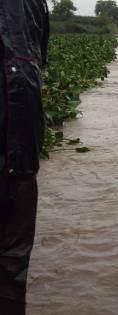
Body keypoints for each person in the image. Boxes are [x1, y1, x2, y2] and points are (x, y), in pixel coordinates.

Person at [0, 1, 49, 314]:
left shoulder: (34, 4)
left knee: (12, 257)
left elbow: (38, 57)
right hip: (19, 141)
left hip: (19, 146)